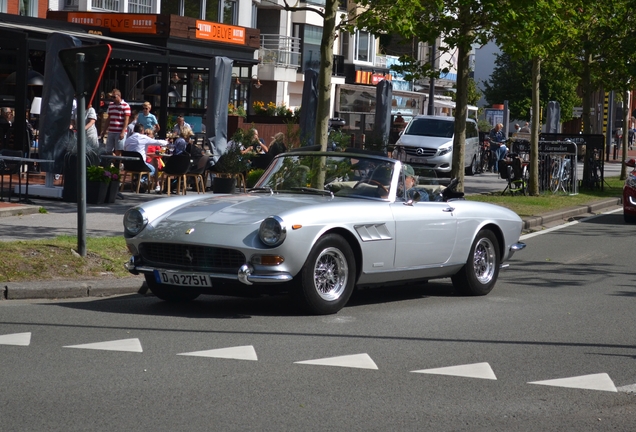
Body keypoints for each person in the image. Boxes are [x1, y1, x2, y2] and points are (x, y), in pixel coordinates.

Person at [124, 123, 168, 190]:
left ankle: (137, 181)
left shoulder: (128, 139)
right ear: (142, 131)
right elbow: (157, 142)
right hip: (140, 164)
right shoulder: (143, 138)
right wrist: (167, 142)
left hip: (128, 165)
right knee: (152, 169)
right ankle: (140, 181)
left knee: (146, 167)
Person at [101, 89, 131, 156]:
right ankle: (110, 163)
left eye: (114, 97)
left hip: (120, 131)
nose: (112, 99)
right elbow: (108, 119)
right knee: (108, 150)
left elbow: (126, 120)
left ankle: (117, 164)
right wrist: (104, 130)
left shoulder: (125, 105)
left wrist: (123, 132)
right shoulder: (111, 105)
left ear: (119, 96)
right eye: (112, 97)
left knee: (118, 150)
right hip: (111, 130)